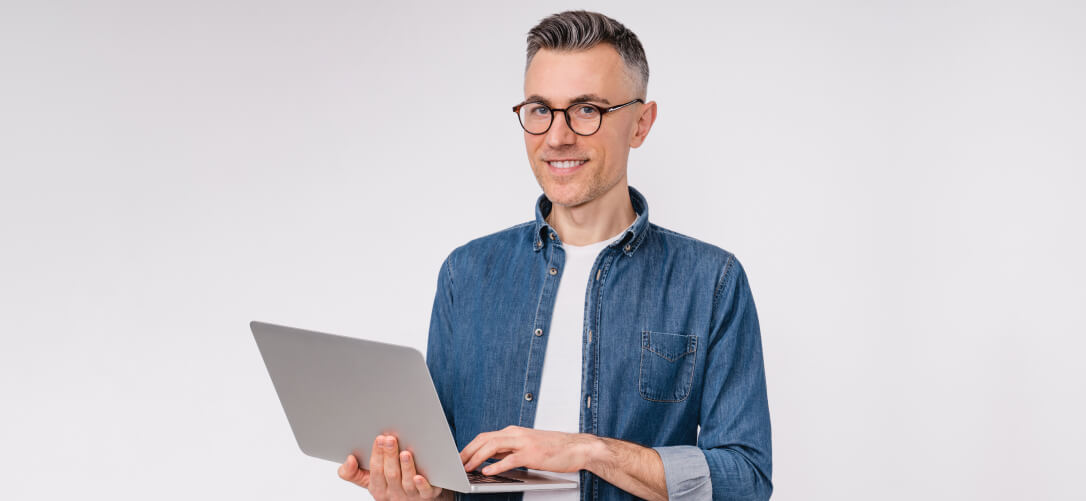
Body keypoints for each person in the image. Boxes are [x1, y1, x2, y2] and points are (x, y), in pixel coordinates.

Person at [338, 10, 772, 501]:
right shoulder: (467, 273)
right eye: (540, 109)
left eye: (587, 109)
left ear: (641, 123)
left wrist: (589, 451)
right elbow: (450, 478)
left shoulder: (711, 281)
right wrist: (417, 493)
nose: (557, 136)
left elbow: (747, 480)